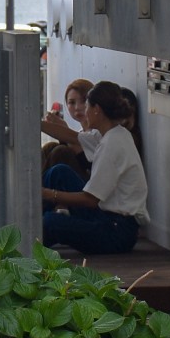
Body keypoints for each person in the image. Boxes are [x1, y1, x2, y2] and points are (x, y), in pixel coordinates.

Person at [41, 81, 147, 255]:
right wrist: (36, 123)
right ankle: (26, 227)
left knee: (51, 222)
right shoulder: (111, 133)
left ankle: (23, 245)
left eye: (87, 106)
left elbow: (90, 200)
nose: (84, 112)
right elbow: (73, 137)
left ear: (97, 109)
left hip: (116, 232)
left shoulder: (112, 144)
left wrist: (48, 194)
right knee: (59, 172)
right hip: (106, 217)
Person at [40, 79, 94, 181]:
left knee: (61, 151)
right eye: (72, 102)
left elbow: (86, 162)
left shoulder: (99, 132)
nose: (77, 107)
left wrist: (63, 129)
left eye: (83, 101)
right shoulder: (81, 132)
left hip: (92, 187)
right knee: (50, 147)